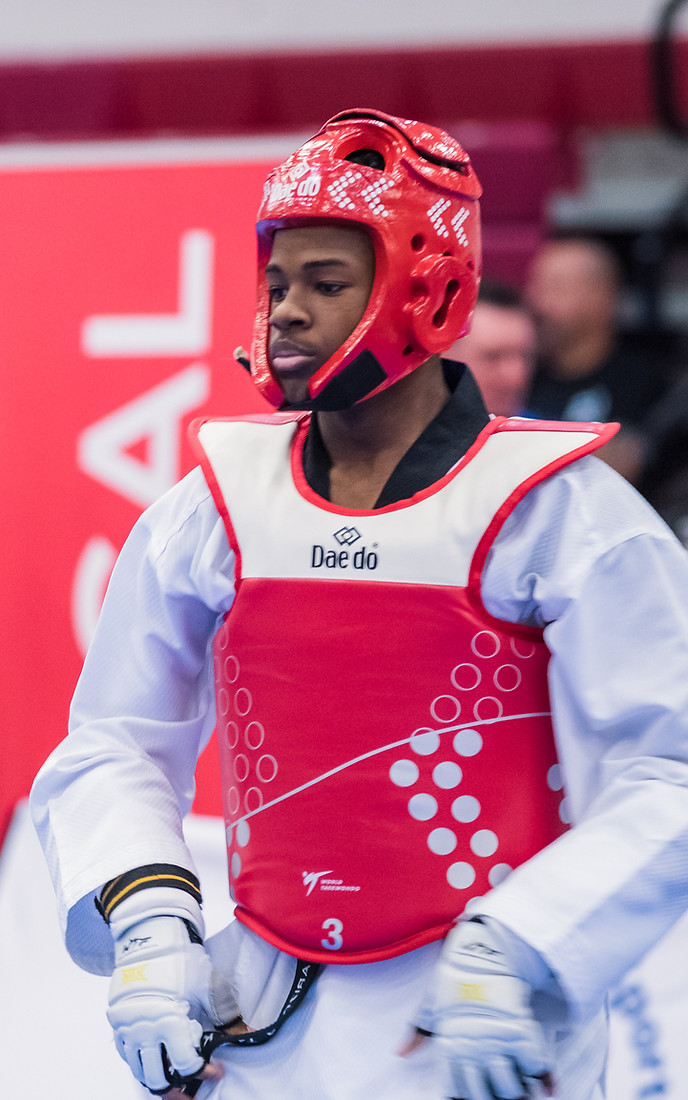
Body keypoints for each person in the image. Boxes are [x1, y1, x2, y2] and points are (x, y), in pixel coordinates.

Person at [30, 109, 688, 1100]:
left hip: (477, 1006)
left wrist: (522, 942)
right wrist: (149, 922)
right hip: (259, 1002)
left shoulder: (558, 510)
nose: (287, 312)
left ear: (426, 286)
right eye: (279, 282)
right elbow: (114, 736)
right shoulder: (211, 503)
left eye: (328, 283)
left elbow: (668, 764)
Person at [524, 235, 669, 483]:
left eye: (556, 289)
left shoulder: (647, 385)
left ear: (602, 298)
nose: (538, 303)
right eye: (534, 287)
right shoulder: (519, 375)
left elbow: (628, 463)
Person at [446, 278, 537, 417]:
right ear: (444, 359)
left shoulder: (555, 436)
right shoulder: (405, 436)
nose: (517, 377)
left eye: (526, 356)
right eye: (493, 357)